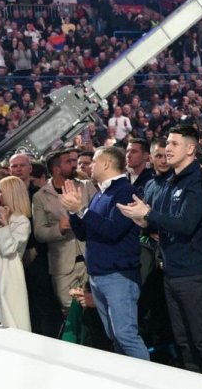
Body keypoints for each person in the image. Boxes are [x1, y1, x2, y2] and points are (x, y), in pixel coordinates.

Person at [118, 125, 202, 373]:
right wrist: (143, 221)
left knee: (201, 341)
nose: (167, 148)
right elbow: (164, 221)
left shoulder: (199, 180)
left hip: (192, 272)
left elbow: (186, 224)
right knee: (183, 341)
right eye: (167, 143)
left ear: (190, 149)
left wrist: (149, 214)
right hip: (170, 271)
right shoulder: (169, 182)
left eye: (173, 144)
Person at [61, 146, 149, 360]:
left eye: (94, 161)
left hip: (118, 275)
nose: (90, 166)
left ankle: (149, 376)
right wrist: (73, 211)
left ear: (107, 164)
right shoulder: (101, 193)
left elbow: (113, 230)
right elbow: (83, 233)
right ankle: (127, 375)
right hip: (98, 275)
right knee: (114, 335)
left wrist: (82, 210)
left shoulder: (125, 191)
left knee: (126, 335)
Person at [32, 150, 97, 313]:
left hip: (91, 260)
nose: (74, 164)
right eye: (68, 162)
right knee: (68, 312)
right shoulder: (40, 196)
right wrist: (59, 229)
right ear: (56, 169)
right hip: (62, 265)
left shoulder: (87, 186)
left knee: (96, 310)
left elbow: (98, 216)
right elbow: (39, 233)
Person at [0, 176, 32, 331]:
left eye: (1, 192)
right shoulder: (1, 217)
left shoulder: (22, 221)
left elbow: (8, 249)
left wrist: (4, 225)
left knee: (13, 318)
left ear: (11, 194)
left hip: (10, 273)